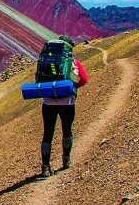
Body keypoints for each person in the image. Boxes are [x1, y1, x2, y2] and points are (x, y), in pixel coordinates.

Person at [39, 35, 88, 178]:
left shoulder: (46, 60)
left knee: (48, 133)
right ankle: (66, 160)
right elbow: (84, 79)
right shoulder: (73, 62)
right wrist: (71, 87)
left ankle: (45, 167)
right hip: (67, 102)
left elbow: (39, 78)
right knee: (67, 130)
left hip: (48, 103)